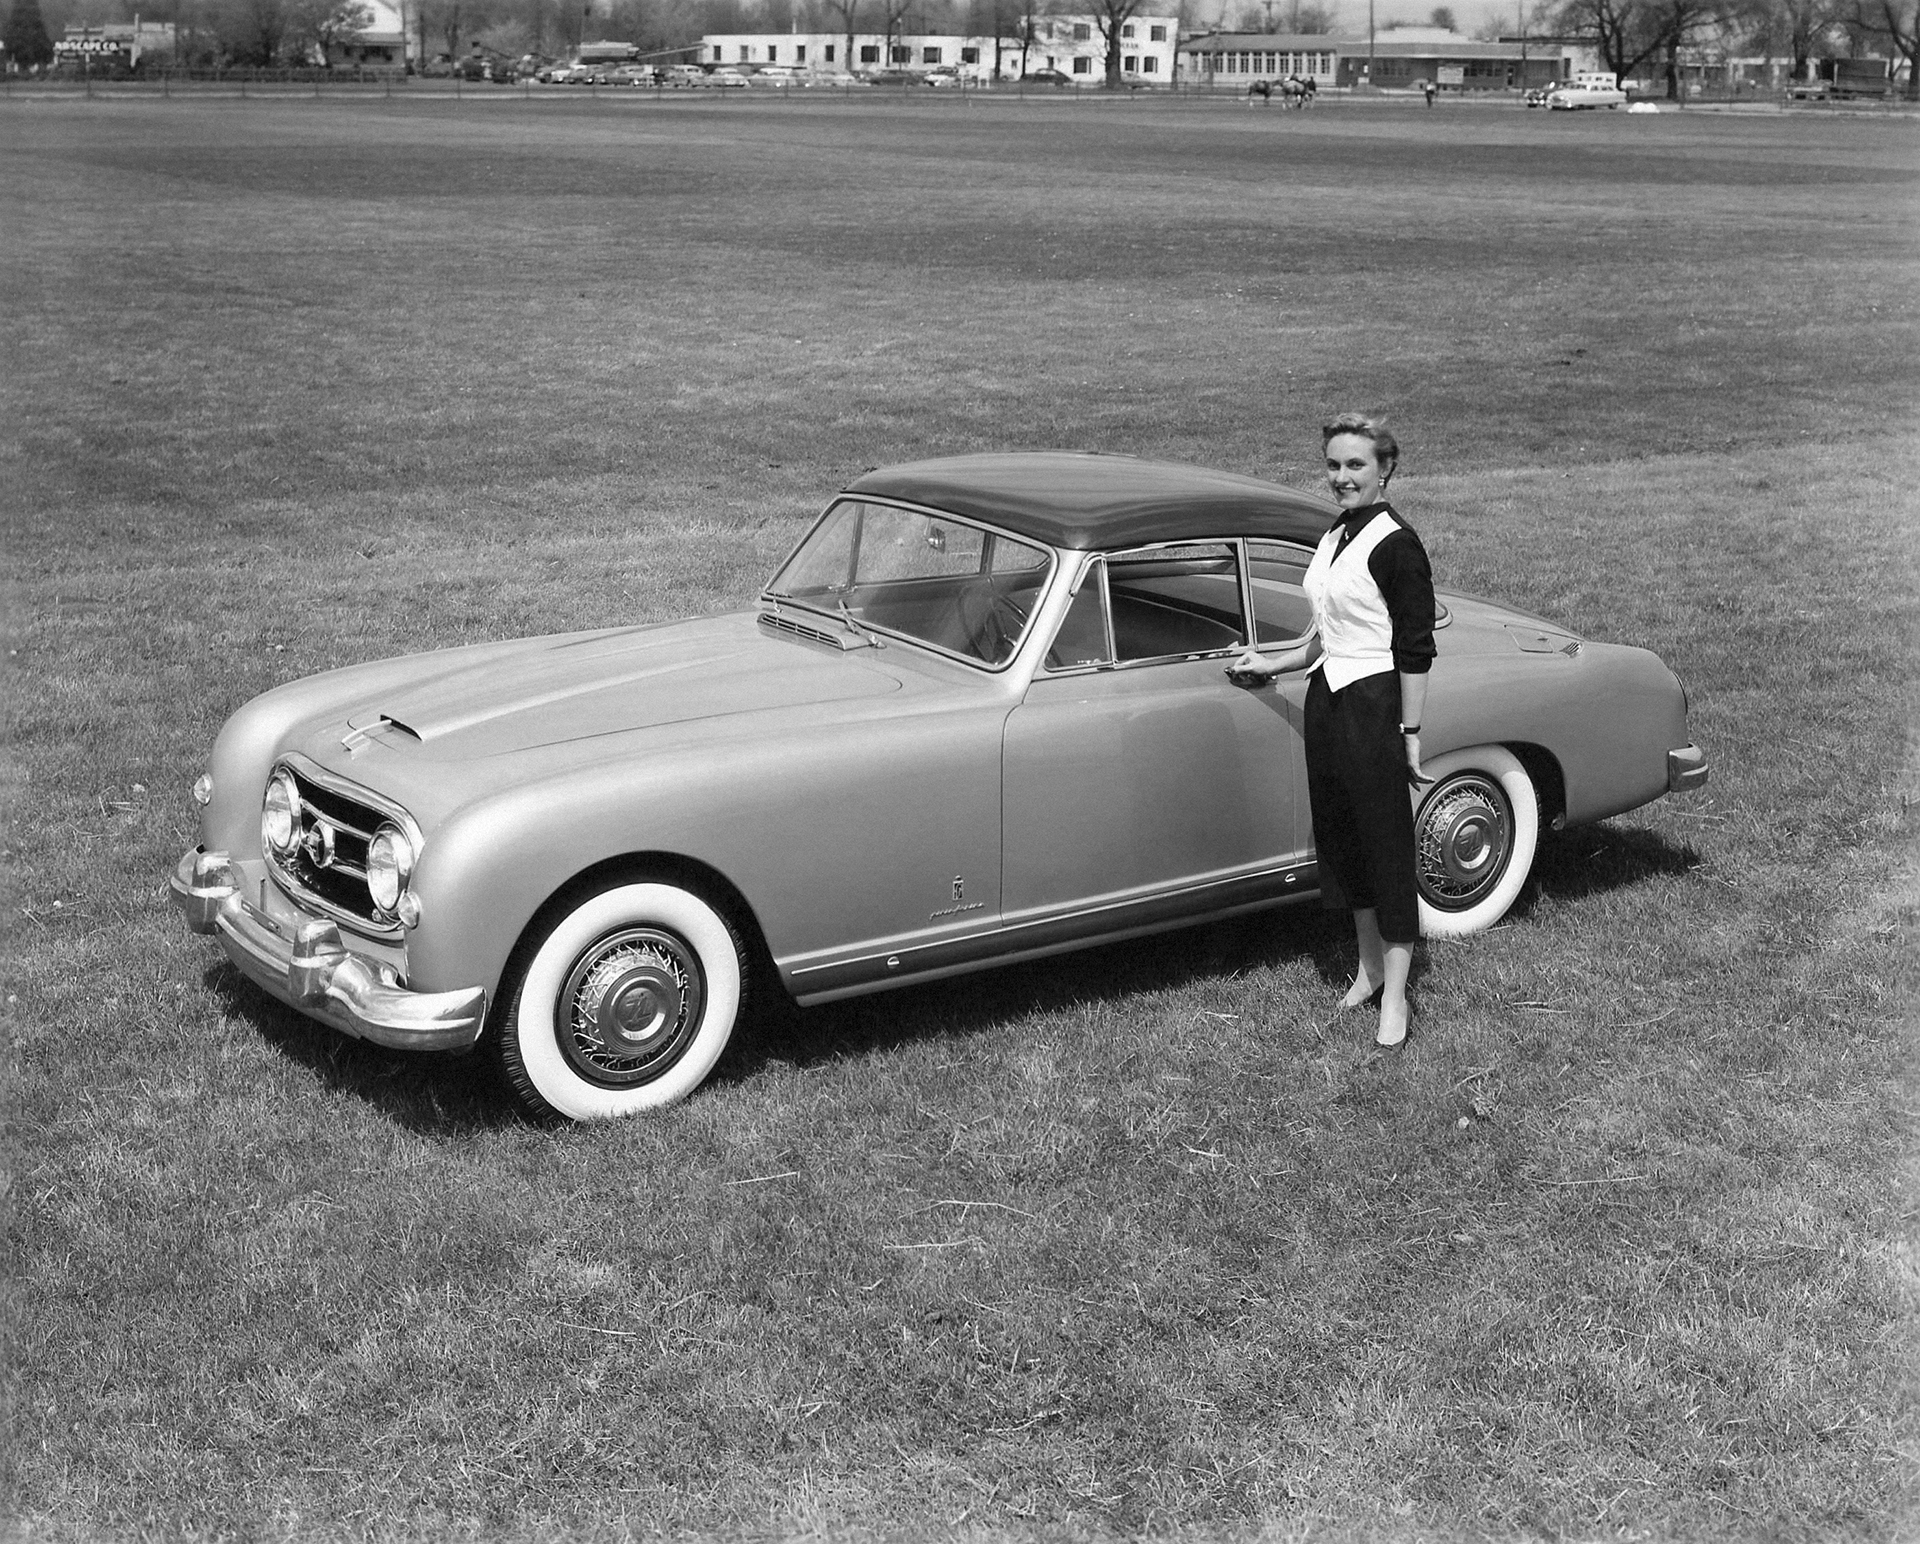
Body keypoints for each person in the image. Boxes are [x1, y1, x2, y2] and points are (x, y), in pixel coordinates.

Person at [1228, 415, 1436, 1046]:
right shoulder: (1335, 534)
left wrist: (1411, 730)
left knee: (1386, 846)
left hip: (1375, 706)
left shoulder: (1399, 545)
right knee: (1343, 840)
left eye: (1355, 466)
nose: (1341, 478)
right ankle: (1369, 968)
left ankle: (1397, 996)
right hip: (1328, 700)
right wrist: (1275, 661)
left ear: (1386, 470)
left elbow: (1415, 648)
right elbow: (1325, 635)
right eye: (1334, 465)